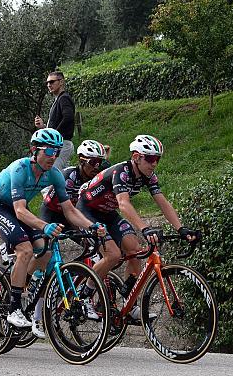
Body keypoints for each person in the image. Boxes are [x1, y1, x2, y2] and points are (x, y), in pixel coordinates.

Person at [0, 128, 104, 328]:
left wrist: (92, 225)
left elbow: (69, 210)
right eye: (49, 151)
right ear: (34, 150)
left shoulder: (54, 175)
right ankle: (14, 308)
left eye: (57, 152)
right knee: (25, 250)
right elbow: (20, 211)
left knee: (45, 251)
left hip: (18, 211)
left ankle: (23, 284)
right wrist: (45, 225)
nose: (53, 157)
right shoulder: (19, 169)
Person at [76, 134, 197, 320]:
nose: (154, 163)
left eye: (157, 159)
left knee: (136, 250)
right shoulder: (121, 172)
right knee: (113, 255)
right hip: (87, 212)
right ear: (136, 157)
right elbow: (123, 204)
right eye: (150, 158)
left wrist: (181, 228)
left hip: (108, 214)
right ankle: (84, 296)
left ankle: (128, 303)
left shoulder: (148, 176)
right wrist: (145, 228)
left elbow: (162, 202)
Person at [35, 71, 75, 170]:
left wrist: (54, 135)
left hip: (62, 144)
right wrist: (44, 127)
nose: (49, 85)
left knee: (53, 172)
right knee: (62, 174)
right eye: (47, 83)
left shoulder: (64, 98)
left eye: (52, 82)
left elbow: (68, 117)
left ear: (61, 82)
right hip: (59, 144)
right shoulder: (59, 99)